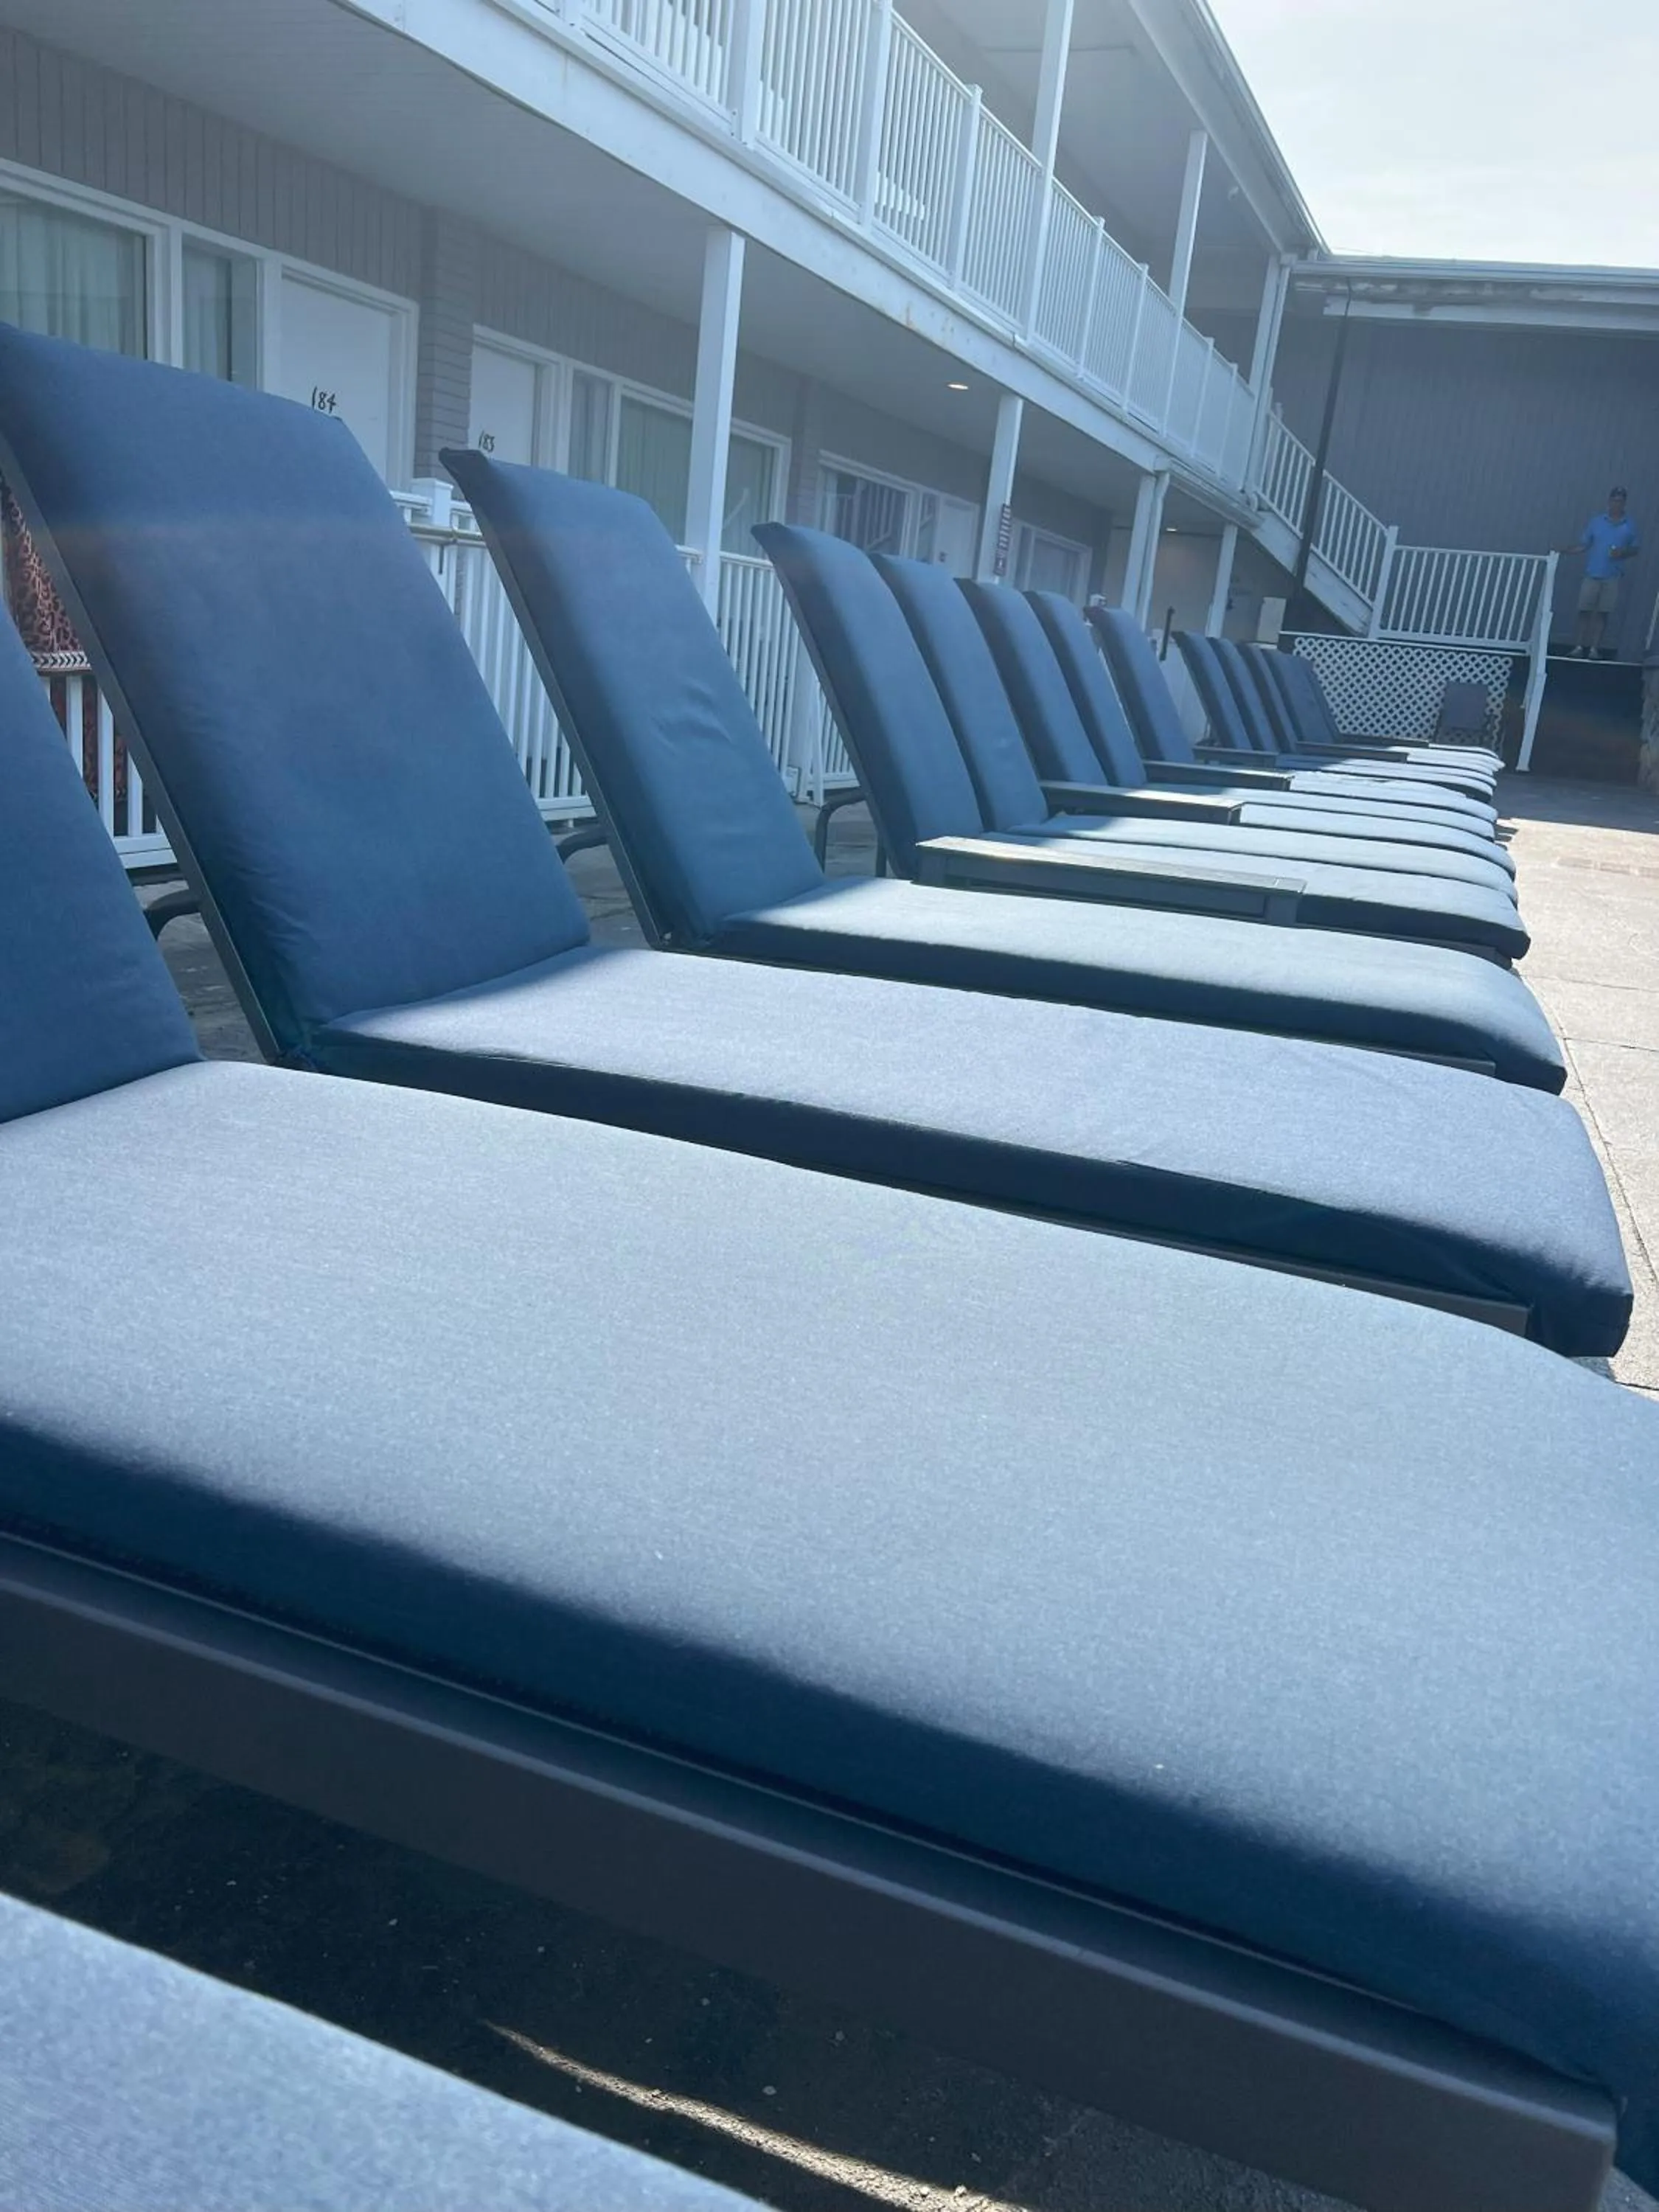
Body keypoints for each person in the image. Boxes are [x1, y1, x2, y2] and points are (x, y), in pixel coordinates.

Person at [1562, 487, 1640, 657]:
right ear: (1609, 501)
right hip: (1592, 573)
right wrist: (1564, 550)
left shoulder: (1629, 525)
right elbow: (1584, 545)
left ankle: (1595, 649)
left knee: (1603, 613)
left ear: (1624, 503)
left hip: (1612, 576)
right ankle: (1579, 647)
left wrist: (1622, 552)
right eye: (1614, 500)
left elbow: (1635, 549)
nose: (1616, 504)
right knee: (1584, 610)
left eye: (1620, 501)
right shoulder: (1597, 522)